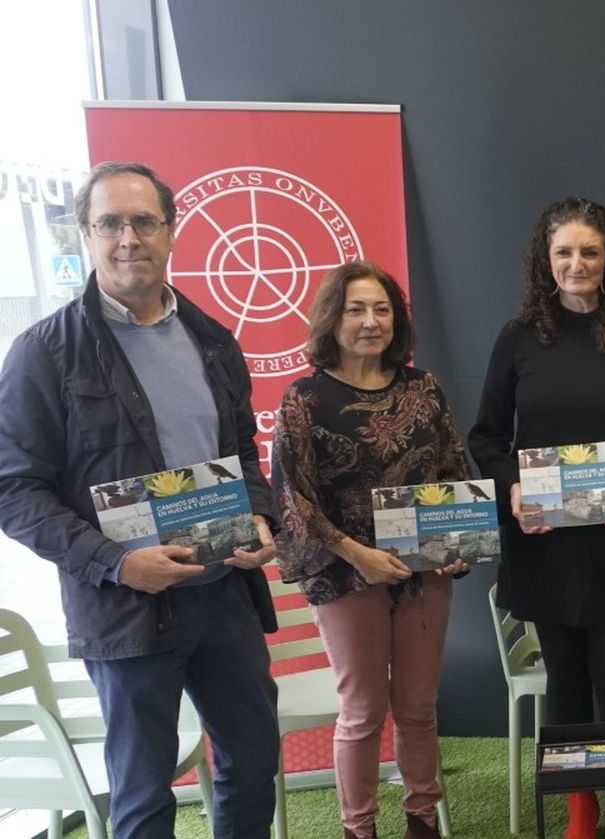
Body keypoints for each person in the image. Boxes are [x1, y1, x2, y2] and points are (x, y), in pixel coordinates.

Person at [0, 161, 281, 838]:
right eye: (110, 224)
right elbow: (13, 488)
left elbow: (242, 450)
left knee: (253, 763)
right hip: (125, 607)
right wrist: (118, 562)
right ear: (85, 234)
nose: (129, 239)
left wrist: (260, 513)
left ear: (171, 231)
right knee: (143, 794)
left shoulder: (213, 340)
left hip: (222, 592)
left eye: (144, 222)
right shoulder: (43, 352)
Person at [469, 197, 605, 839]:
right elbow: (486, 436)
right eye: (564, 252)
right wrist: (512, 491)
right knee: (564, 676)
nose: (577, 263)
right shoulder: (518, 337)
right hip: (545, 540)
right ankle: (578, 806)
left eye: (590, 251)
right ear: (545, 260)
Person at [271, 261, 471, 839]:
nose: (370, 321)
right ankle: (359, 828)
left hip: (422, 573)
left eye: (382, 309)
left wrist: (459, 542)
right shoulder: (304, 398)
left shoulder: (423, 388)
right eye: (355, 309)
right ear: (332, 319)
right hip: (344, 575)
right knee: (362, 712)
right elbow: (291, 496)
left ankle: (422, 821)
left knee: (418, 707)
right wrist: (358, 554)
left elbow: (454, 471)